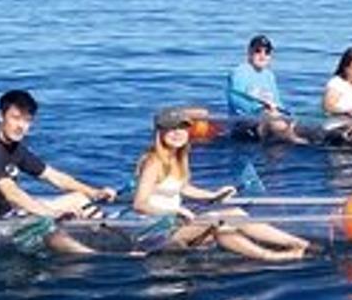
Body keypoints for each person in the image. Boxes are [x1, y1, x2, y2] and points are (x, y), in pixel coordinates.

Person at [132, 108, 312, 262]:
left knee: (233, 215)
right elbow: (140, 204)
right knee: (219, 218)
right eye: (171, 129)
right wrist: (176, 211)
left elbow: (184, 188)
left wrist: (214, 195)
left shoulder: (177, 157)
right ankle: (272, 257)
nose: (178, 133)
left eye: (183, 128)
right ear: (160, 132)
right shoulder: (153, 161)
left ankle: (300, 244)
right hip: (154, 233)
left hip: (175, 225)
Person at [0, 89, 118, 254]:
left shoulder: (16, 149)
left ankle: (113, 239)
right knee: (44, 226)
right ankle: (94, 257)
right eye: (15, 118)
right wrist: (51, 214)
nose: (21, 126)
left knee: (78, 199)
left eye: (27, 121)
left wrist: (94, 192)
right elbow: (11, 193)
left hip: (9, 217)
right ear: (0, 116)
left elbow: (54, 177)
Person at [226, 33, 305, 143]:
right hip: (244, 124)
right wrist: (261, 109)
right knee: (272, 118)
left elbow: (277, 102)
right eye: (258, 51)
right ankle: (292, 139)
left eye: (267, 52)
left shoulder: (269, 76)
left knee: (289, 120)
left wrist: (285, 114)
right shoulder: (239, 72)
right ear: (249, 52)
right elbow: (236, 100)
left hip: (268, 120)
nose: (262, 55)